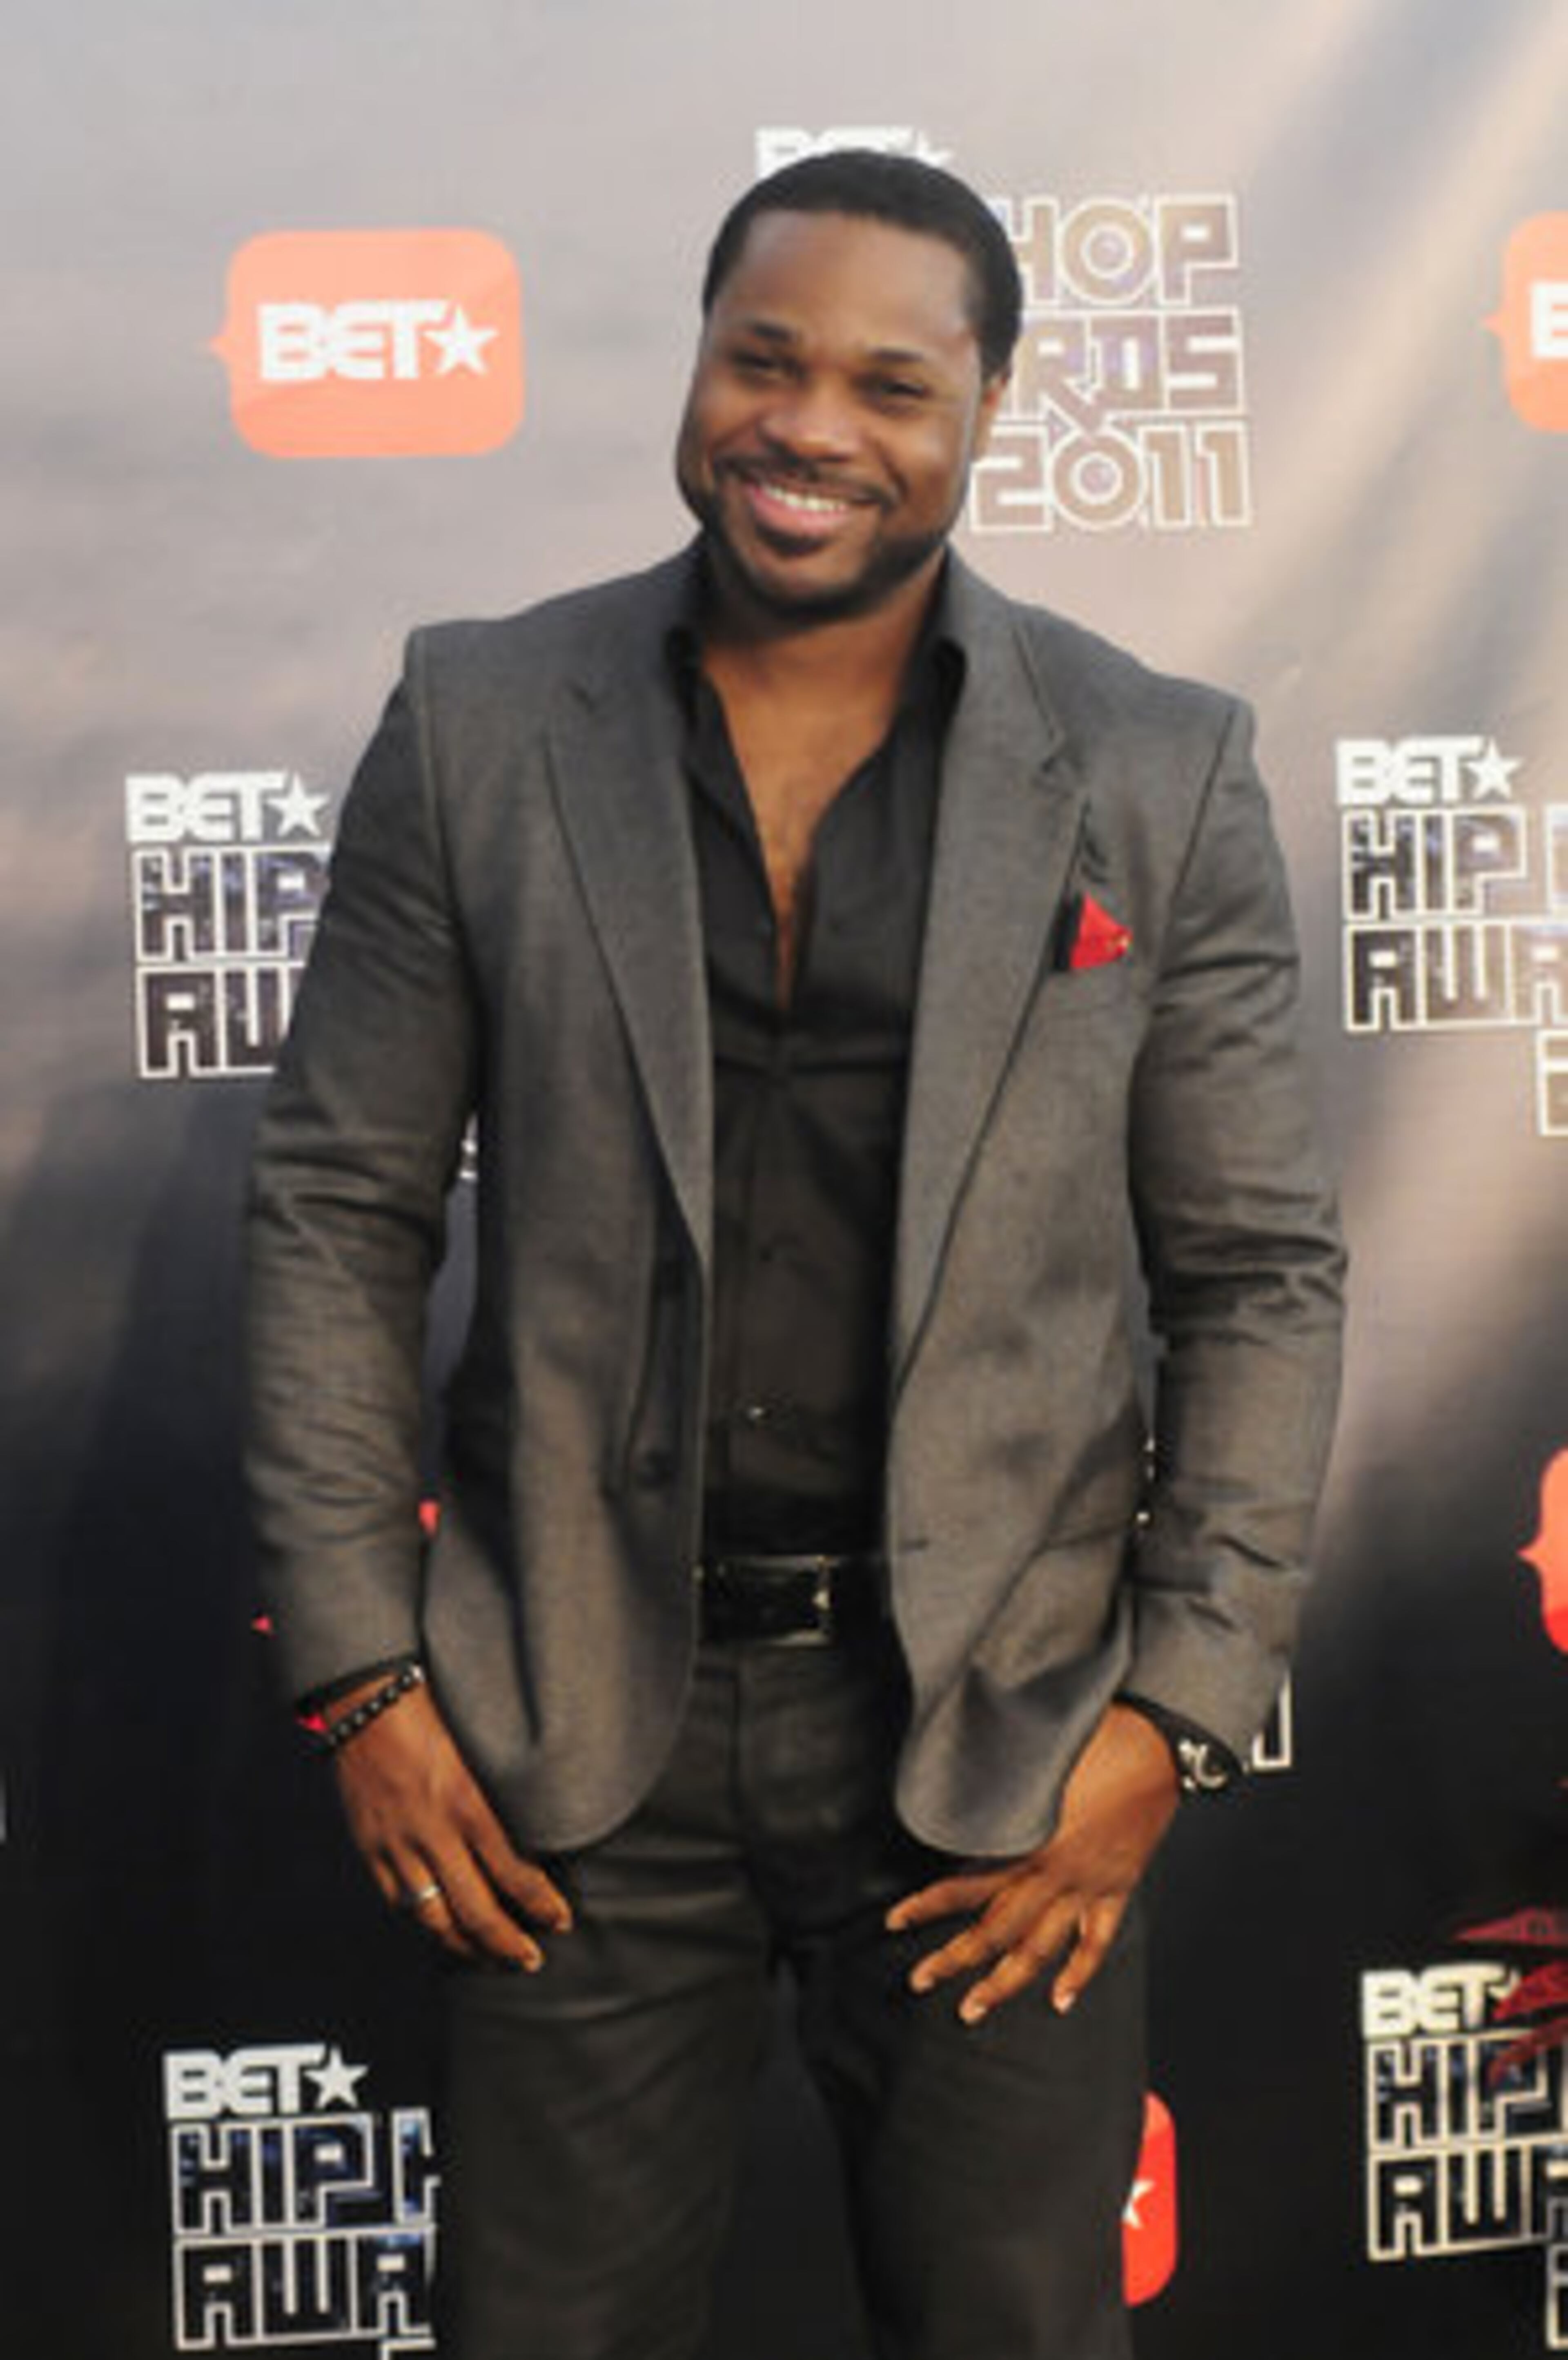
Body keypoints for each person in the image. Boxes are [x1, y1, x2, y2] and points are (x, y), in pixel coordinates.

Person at [246, 150, 1345, 2360]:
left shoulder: (1153, 767)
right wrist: (365, 1673)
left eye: (887, 381)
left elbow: (1257, 1274)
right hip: (571, 1735)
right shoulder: (480, 725)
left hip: (1001, 1754)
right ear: (697, 370)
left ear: (986, 408)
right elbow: (340, 1209)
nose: (810, 426)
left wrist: (1172, 1715)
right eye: (764, 359)